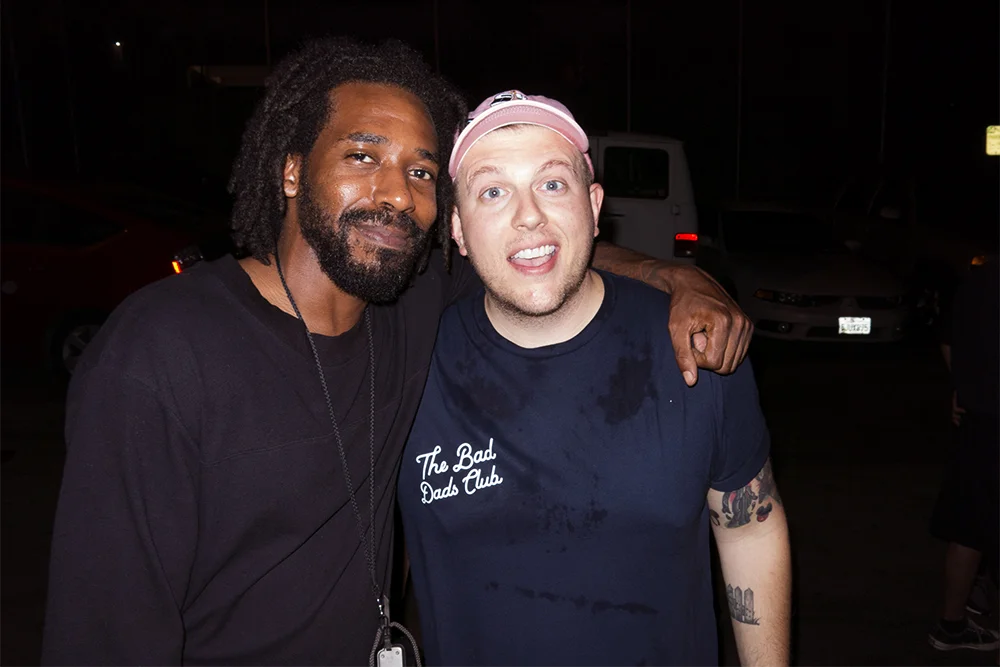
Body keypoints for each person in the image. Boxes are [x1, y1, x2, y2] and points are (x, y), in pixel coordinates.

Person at [41, 40, 753, 666]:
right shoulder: (161, 354)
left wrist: (673, 276)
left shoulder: (408, 305)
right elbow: (101, 635)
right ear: (291, 172)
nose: (396, 194)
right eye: (362, 156)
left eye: (420, 172)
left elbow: (537, 251)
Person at [398, 91, 791, 666]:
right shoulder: (408, 364)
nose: (528, 215)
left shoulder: (694, 346)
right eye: (493, 191)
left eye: (552, 183)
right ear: (457, 227)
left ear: (594, 203)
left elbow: (750, 529)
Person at [928, 255, 999, 652]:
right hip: (986, 419)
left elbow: (947, 338)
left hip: (978, 420)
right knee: (971, 526)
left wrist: (965, 385)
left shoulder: (979, 279)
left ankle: (953, 621)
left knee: (969, 528)